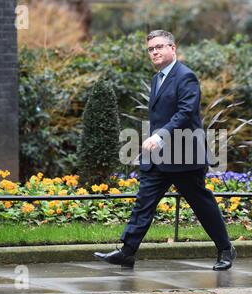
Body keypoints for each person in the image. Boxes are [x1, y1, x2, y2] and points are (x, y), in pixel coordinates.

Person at [93, 30, 236, 271]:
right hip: (159, 155)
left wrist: (159, 136)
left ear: (173, 48)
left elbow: (185, 112)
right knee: (144, 203)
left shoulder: (186, 76)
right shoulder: (156, 78)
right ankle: (127, 252)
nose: (155, 52)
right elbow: (161, 117)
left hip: (185, 155)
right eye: (151, 49)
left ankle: (225, 249)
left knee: (201, 204)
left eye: (160, 47)